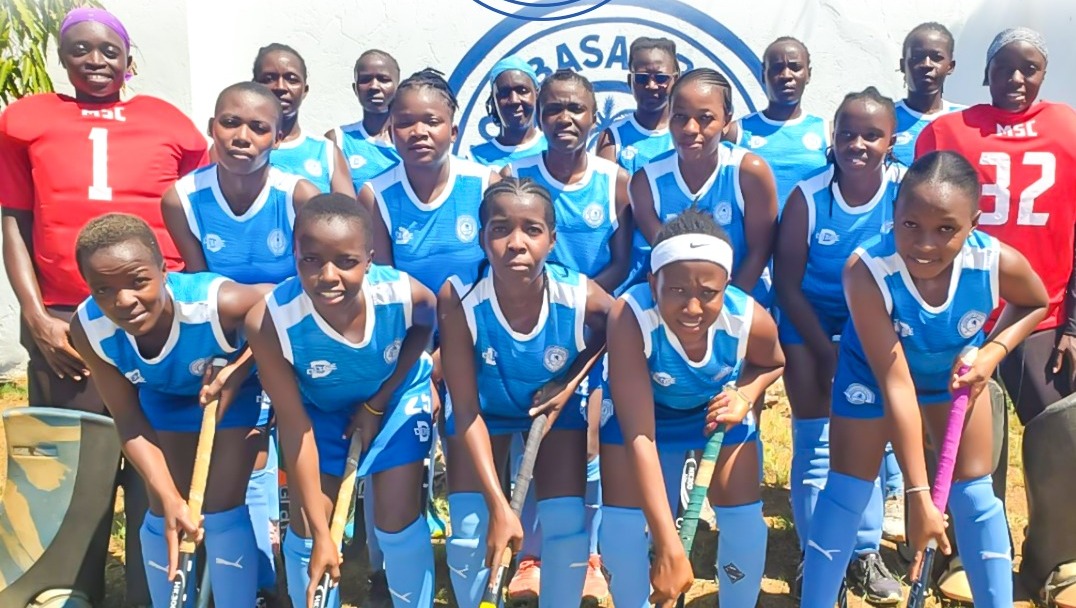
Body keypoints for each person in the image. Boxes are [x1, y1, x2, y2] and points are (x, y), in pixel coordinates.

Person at [0, 8, 208, 604]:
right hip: (66, 317)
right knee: (73, 464)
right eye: (80, 50)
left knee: (159, 451)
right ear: (62, 59)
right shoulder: (27, 121)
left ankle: (155, 584)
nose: (95, 61)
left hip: (155, 320)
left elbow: (194, 218)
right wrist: (35, 314)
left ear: (129, 58)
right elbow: (13, 221)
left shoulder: (170, 123)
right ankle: (71, 584)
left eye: (108, 50)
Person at [801, 151, 1049, 608]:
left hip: (949, 382)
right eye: (910, 225)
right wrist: (918, 496)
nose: (925, 245)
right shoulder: (867, 270)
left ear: (973, 223)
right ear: (893, 213)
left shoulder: (994, 262)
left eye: (946, 229)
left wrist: (992, 352)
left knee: (976, 498)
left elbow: (1036, 302)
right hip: (873, 382)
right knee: (847, 493)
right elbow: (896, 384)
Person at [916, 27, 1076, 604]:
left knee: (1062, 422)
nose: (1015, 79)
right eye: (1003, 68)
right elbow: (922, 222)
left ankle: (1057, 556)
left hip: (1045, 310)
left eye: (1028, 68)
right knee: (966, 425)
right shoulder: (948, 131)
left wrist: (1074, 323)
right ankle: (971, 548)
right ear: (982, 73)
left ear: (1044, 72)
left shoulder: (1069, 127)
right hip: (966, 311)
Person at [160, 80, 321, 602]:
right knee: (247, 460)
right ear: (212, 128)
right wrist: (232, 363)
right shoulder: (181, 199)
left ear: (277, 137)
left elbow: (311, 293)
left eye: (258, 127)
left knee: (302, 456)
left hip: (295, 343)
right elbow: (203, 290)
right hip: (226, 346)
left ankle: (304, 564)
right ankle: (255, 577)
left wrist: (251, 354)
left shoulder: (298, 196)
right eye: (230, 123)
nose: (242, 136)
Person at [68, 213, 271, 607]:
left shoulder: (216, 303)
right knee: (165, 511)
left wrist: (239, 367)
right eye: (103, 290)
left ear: (165, 270)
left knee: (220, 507)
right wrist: (170, 497)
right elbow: (127, 420)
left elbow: (279, 304)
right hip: (162, 397)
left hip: (231, 394)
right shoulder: (89, 328)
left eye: (138, 281)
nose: (123, 301)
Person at [246, 193, 437, 608]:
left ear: (370, 260)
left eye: (346, 261)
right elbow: (294, 427)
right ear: (293, 254)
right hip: (317, 411)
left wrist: (377, 403)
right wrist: (320, 534)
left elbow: (424, 325)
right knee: (306, 526)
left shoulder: (405, 294)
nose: (327, 275)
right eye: (310, 260)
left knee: (395, 520)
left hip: (393, 399)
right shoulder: (269, 320)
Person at [438, 177, 612, 608]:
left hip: (551, 414)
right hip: (483, 412)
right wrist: (500, 506)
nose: (516, 243)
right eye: (500, 229)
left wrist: (569, 384)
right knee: (469, 525)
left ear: (552, 241)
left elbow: (619, 328)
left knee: (566, 522)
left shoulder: (579, 294)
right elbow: (464, 411)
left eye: (532, 230)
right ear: (482, 239)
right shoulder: (459, 296)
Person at [598, 208, 785, 608]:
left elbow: (773, 362)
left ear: (727, 285)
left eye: (708, 293)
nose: (693, 308)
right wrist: (668, 546)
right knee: (622, 524)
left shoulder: (748, 318)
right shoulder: (629, 316)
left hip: (714, 412)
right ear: (652, 282)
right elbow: (640, 435)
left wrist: (745, 396)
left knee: (744, 520)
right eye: (677, 291)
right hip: (641, 417)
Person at [773, 87, 905, 602]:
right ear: (833, 137)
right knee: (816, 437)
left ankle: (864, 551)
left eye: (871, 135)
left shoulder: (903, 189)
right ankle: (815, 551)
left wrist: (858, 347)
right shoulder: (808, 195)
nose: (858, 143)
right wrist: (826, 352)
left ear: (891, 141)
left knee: (866, 436)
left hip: (873, 321)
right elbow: (786, 283)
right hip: (809, 319)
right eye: (847, 133)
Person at [503, 69, 630, 601]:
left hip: (594, 327)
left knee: (593, 436)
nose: (565, 119)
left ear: (594, 116)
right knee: (528, 429)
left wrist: (576, 304)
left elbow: (623, 260)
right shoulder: (513, 173)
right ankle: (530, 553)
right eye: (553, 108)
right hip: (531, 326)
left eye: (576, 108)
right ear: (539, 115)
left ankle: (592, 553)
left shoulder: (616, 181)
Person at [630, 68, 777, 308]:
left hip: (744, 300)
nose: (690, 128)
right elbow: (669, 256)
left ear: (727, 119)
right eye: (679, 116)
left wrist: (726, 308)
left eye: (705, 118)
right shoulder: (646, 182)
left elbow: (760, 251)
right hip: (677, 308)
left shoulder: (748, 172)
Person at [595, 36, 679, 294]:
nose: (652, 85)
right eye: (642, 78)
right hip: (629, 271)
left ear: (676, 78)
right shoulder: (614, 137)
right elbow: (607, 203)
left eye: (661, 78)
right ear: (630, 81)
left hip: (679, 262)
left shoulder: (689, 134)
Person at [728, 36, 829, 213]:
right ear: (763, 75)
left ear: (808, 74)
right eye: (776, 68)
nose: (786, 76)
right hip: (752, 240)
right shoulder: (737, 132)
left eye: (795, 67)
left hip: (808, 239)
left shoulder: (828, 132)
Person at [252, 43, 356, 197]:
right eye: (269, 79)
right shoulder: (234, 147)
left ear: (304, 90)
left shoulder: (326, 151)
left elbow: (349, 216)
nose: (280, 87)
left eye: (291, 79)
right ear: (255, 86)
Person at [327, 49, 402, 192]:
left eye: (384, 79)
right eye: (365, 80)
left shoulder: (410, 139)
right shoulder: (338, 139)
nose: (374, 86)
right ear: (355, 89)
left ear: (397, 87)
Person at [893, 22, 963, 168]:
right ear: (902, 65)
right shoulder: (883, 119)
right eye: (917, 57)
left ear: (950, 66)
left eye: (936, 57)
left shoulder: (966, 119)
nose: (926, 64)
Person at [468, 56, 547, 169]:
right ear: (493, 100)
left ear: (537, 94)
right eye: (504, 93)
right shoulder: (475, 160)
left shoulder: (555, 150)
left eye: (522, 91)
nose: (514, 100)